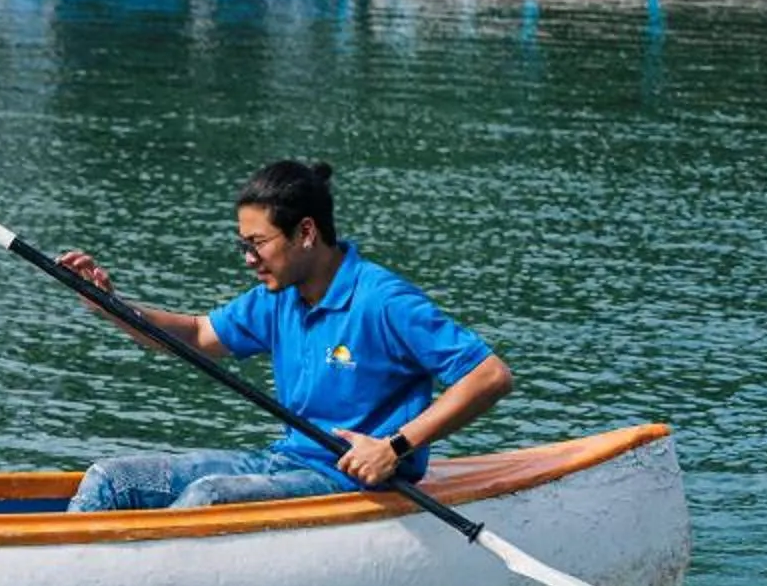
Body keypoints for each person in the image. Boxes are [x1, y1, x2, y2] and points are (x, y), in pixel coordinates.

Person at [58, 160, 513, 511]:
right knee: (108, 478)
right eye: (242, 245)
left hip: (351, 479)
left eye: (256, 244)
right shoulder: (278, 298)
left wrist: (394, 447)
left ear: (306, 232)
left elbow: (490, 376)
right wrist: (111, 306)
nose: (248, 258)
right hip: (285, 461)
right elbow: (196, 334)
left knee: (209, 496)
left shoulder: (383, 300)